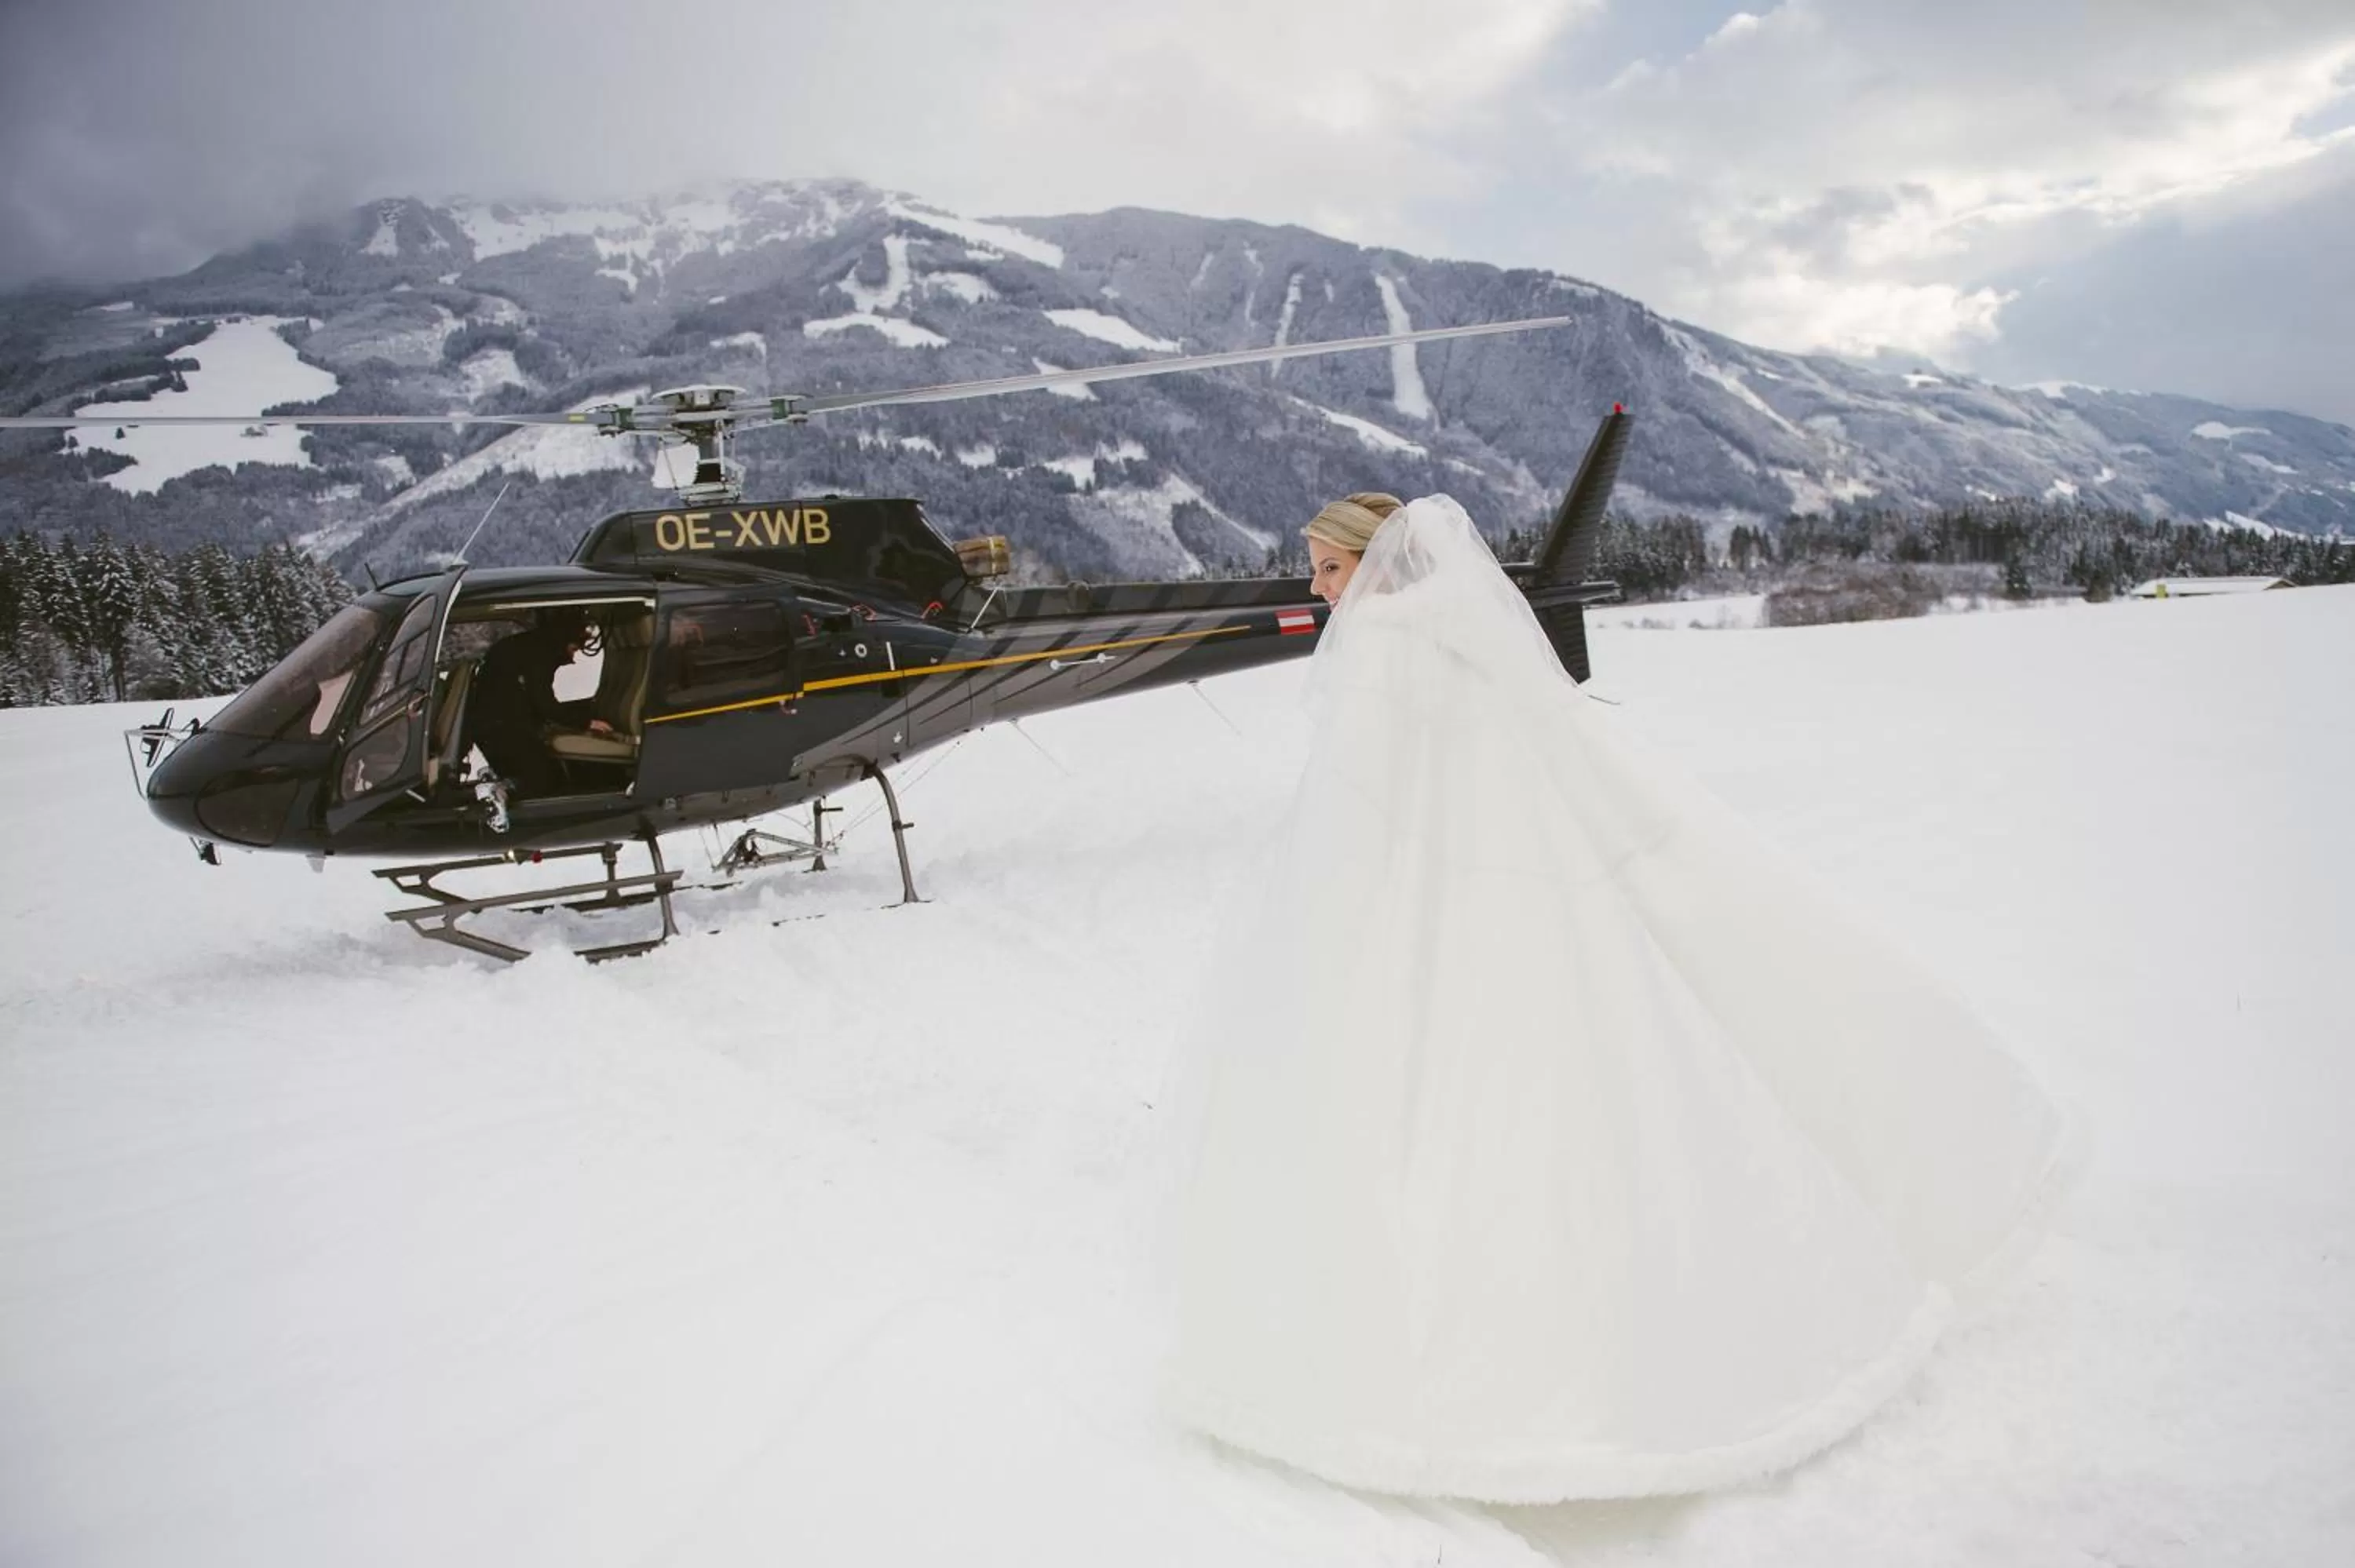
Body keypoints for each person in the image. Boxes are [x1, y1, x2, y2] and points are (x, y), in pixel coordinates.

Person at [1159, 492, 2073, 1503]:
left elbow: (1365, 809)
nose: (1320, 588)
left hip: (1426, 909)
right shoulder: (1466, 633)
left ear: (1372, 566)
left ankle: (1458, 1376)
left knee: (1435, 1115)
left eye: (1329, 568)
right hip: (1521, 893)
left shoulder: (1378, 648)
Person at [466, 607, 612, 797]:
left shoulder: (530, 646)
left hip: (494, 723)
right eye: (574, 648)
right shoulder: (540, 654)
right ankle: (501, 791)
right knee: (542, 781)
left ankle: (505, 786)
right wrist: (586, 723)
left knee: (539, 773)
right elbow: (544, 704)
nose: (573, 656)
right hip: (501, 726)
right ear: (563, 640)